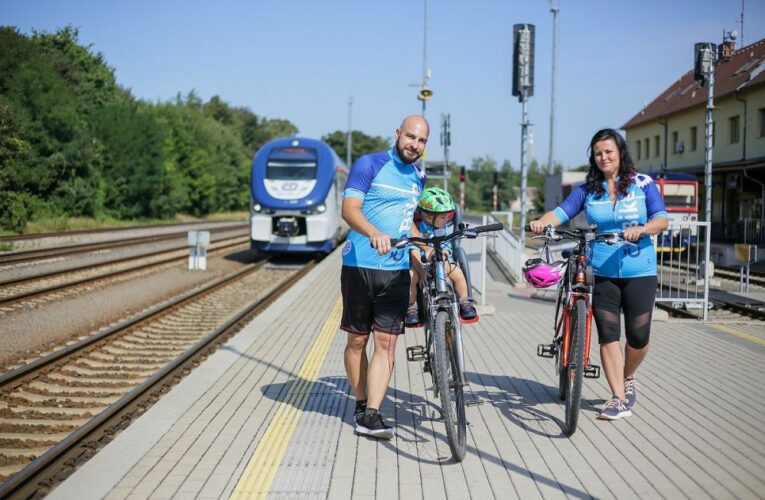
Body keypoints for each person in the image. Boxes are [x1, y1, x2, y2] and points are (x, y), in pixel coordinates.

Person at [529, 128, 668, 421]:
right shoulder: (587, 188)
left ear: (620, 153)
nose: (603, 157)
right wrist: (541, 223)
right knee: (608, 334)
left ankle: (628, 375)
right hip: (602, 269)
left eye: (609, 151)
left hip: (639, 268)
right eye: (598, 153)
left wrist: (643, 229)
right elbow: (561, 212)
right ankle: (618, 397)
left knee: (639, 337)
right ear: (593, 157)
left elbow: (661, 219)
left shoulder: (643, 184)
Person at [340, 114, 429, 439]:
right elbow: (349, 209)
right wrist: (374, 232)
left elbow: (408, 221)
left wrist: (422, 250)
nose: (414, 145)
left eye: (421, 141)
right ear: (397, 134)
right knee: (357, 340)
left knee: (386, 344)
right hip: (359, 265)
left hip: (395, 271)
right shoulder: (370, 164)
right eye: (410, 137)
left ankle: (373, 414)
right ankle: (361, 401)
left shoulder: (418, 176)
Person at [405, 186, 477, 327]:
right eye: (444, 217)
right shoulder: (417, 229)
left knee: (456, 271)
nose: (447, 220)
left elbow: (448, 248)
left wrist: (446, 256)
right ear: (429, 217)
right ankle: (411, 308)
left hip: (441, 263)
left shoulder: (443, 228)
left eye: (449, 216)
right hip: (420, 265)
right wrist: (421, 271)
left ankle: (465, 302)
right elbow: (414, 252)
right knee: (411, 277)